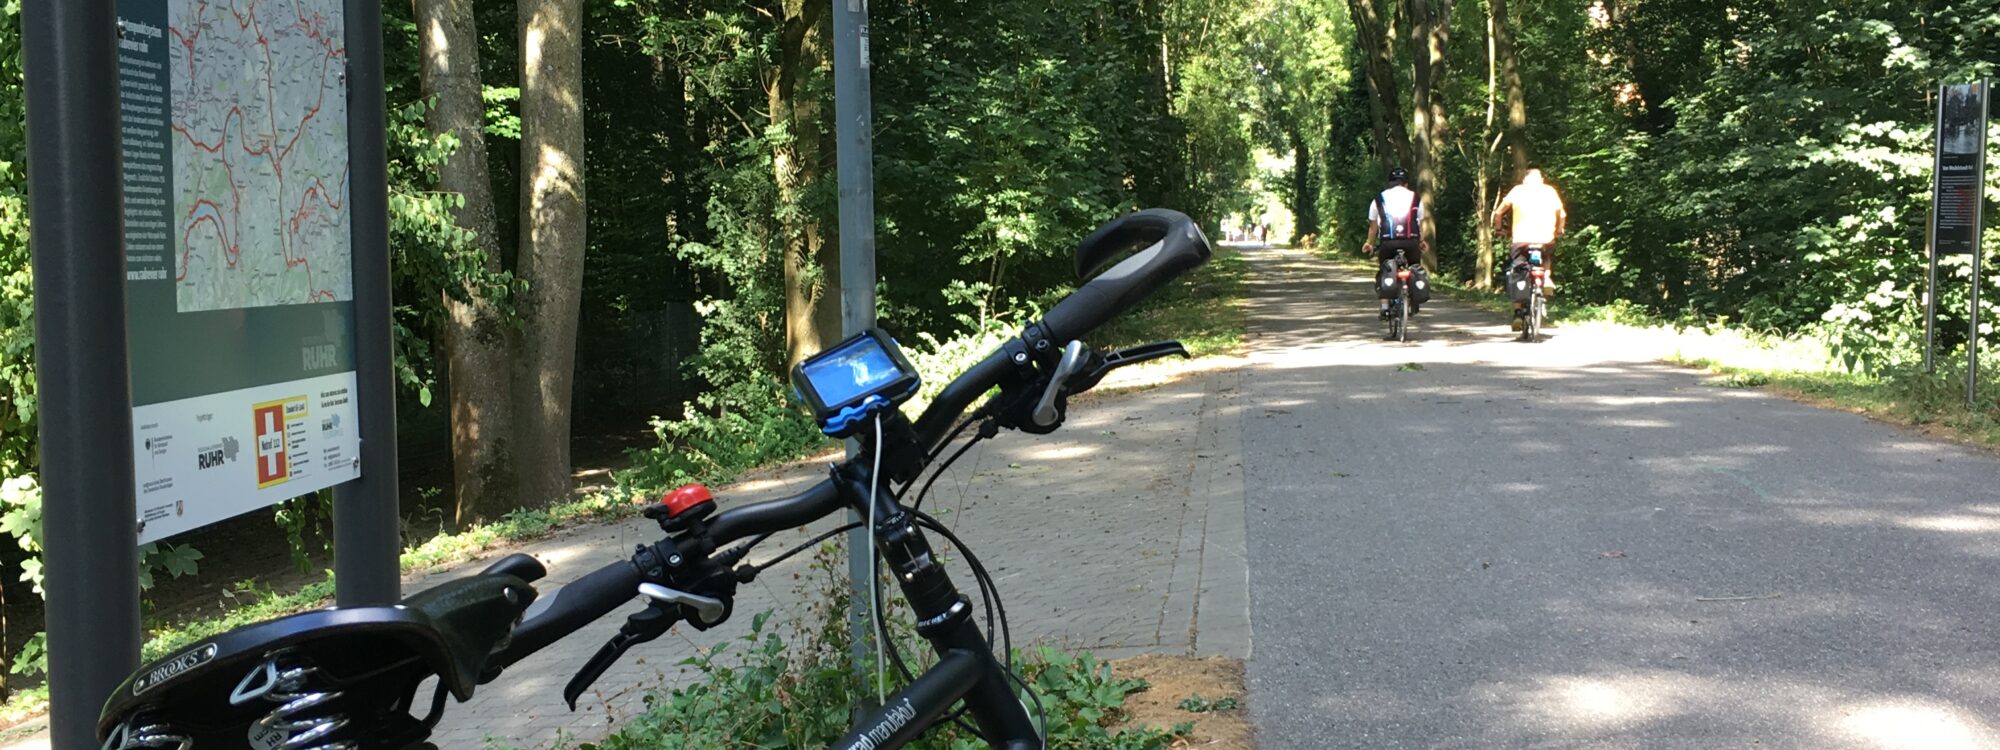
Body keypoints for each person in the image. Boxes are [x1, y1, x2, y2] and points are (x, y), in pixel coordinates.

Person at [1491, 168, 1567, 331]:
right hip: (1545, 238)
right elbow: (1562, 214)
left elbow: (1498, 213)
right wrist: (1559, 230)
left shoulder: (1517, 191)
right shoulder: (1550, 191)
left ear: (1525, 180)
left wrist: (1499, 229)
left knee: (1518, 270)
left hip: (1521, 240)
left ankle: (1518, 313)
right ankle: (1546, 277)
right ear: (1541, 180)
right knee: (1546, 257)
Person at [1361, 167, 1429, 319]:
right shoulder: (1416, 198)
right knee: (1413, 266)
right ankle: (1412, 301)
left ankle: (1385, 307)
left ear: (1390, 183)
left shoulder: (1379, 198)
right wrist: (1422, 241)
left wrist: (1369, 243)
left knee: (1385, 269)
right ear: (1406, 183)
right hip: (1411, 242)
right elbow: (1420, 224)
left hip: (1388, 243)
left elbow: (1373, 227)